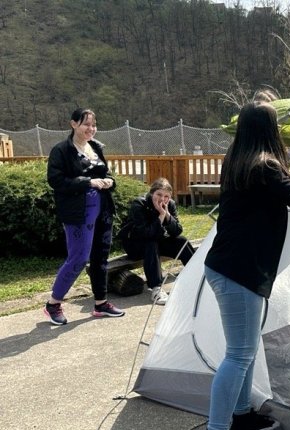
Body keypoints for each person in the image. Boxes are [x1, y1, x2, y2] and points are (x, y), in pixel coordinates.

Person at [189, 101, 290, 430]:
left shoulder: (239, 162)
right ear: (270, 130)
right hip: (240, 273)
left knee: (246, 347)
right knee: (238, 355)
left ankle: (240, 415)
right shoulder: (266, 166)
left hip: (228, 268)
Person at [44, 108, 125, 325]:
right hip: (78, 213)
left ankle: (101, 304)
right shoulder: (61, 150)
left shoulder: (96, 147)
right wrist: (87, 182)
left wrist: (109, 181)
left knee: (101, 257)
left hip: (103, 209)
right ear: (73, 124)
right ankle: (53, 304)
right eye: (86, 124)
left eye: (94, 124)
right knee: (78, 258)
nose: (91, 128)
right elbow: (56, 181)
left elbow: (105, 174)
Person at [119, 178, 195, 305]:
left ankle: (198, 276)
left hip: (156, 241)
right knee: (151, 242)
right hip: (135, 245)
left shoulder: (169, 204)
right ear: (151, 193)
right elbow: (145, 233)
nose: (162, 199)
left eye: (166, 196)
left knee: (182, 241)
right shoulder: (139, 204)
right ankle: (156, 288)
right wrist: (160, 215)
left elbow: (177, 231)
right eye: (159, 194)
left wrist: (168, 216)